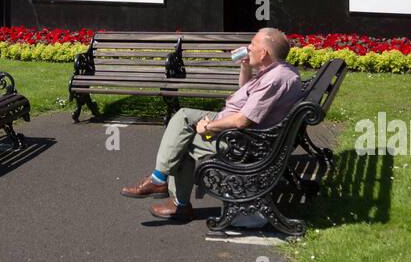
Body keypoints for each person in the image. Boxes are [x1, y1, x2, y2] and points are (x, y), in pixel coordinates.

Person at [120, 27, 305, 221]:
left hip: (243, 140)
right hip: (242, 128)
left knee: (182, 142)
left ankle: (172, 196)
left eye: (252, 45)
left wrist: (209, 127)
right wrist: (246, 67)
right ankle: (162, 183)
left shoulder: (274, 79)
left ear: (264, 53)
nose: (248, 48)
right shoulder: (277, 70)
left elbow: (243, 120)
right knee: (183, 119)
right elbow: (246, 91)